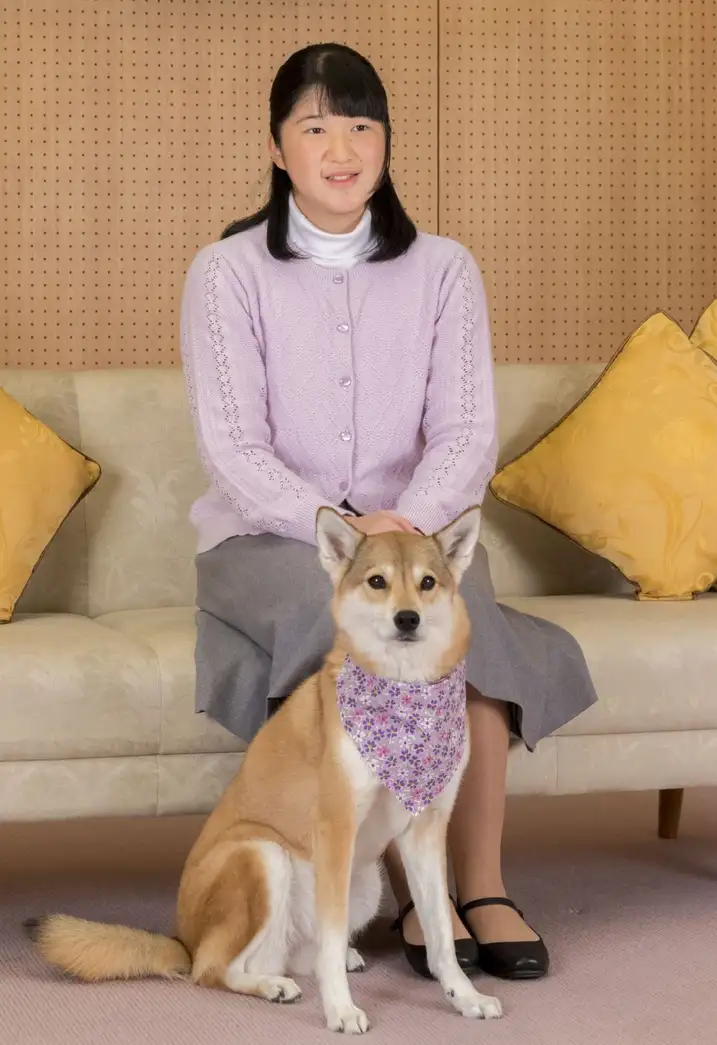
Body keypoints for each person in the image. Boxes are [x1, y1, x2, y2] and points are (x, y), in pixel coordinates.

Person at [180, 42, 597, 982]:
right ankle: (416, 891)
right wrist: (346, 528)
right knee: (345, 618)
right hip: (273, 537)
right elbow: (234, 448)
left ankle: (477, 882)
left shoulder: (444, 269)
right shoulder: (227, 271)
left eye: (362, 126)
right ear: (277, 148)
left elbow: (466, 430)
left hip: (417, 533)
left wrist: (408, 522)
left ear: (386, 142)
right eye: (315, 128)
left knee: (461, 621)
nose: (341, 149)